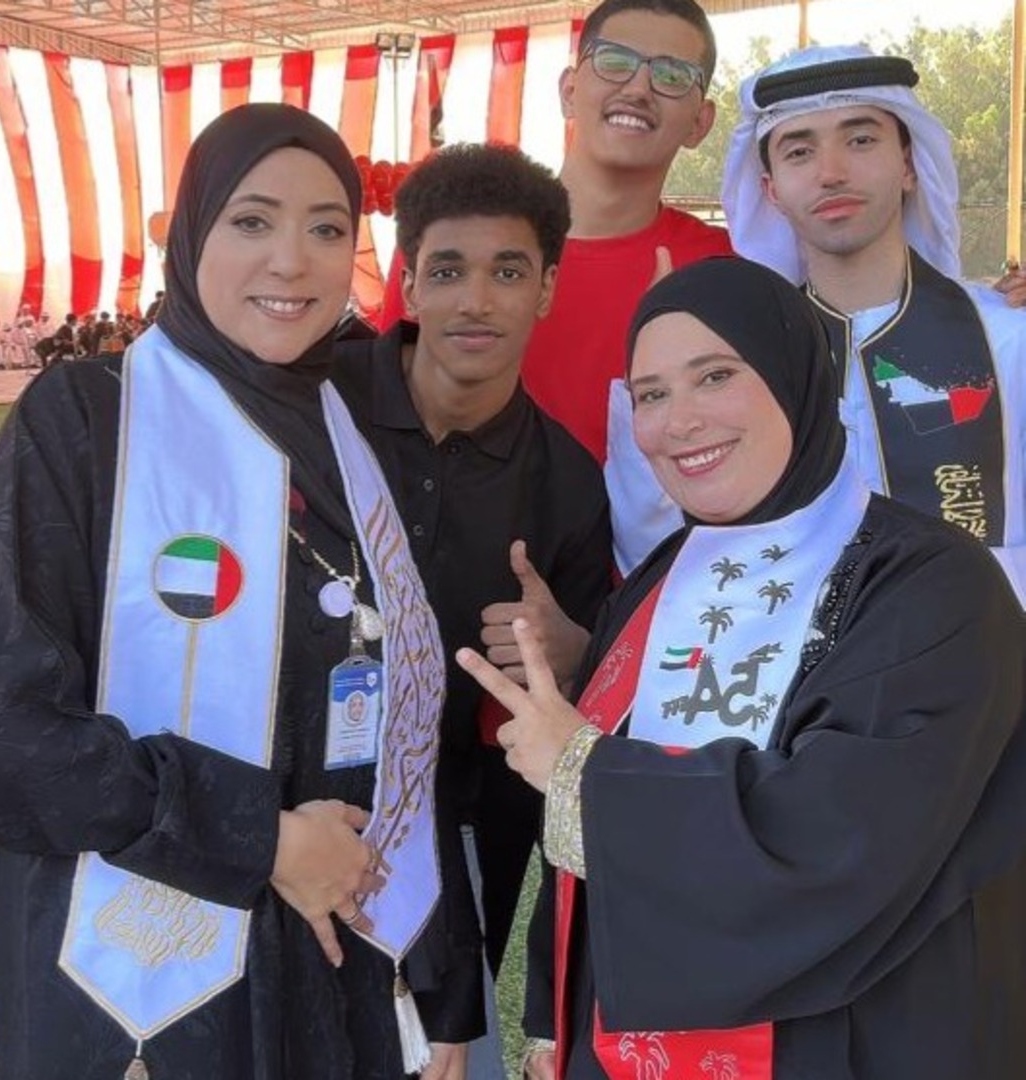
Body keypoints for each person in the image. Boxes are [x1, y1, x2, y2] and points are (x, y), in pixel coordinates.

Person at [0, 103, 480, 1080]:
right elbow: (6, 744)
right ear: (193, 234)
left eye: (327, 228)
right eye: (252, 220)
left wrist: (440, 987)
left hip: (339, 980)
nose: (292, 260)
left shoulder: (353, 442)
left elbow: (399, 714)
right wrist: (260, 838)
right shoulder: (86, 425)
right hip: (143, 1009)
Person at [456, 257, 1026, 1080]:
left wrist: (585, 772)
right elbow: (578, 853)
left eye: (715, 375)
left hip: (855, 1043)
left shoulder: (931, 584)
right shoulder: (660, 580)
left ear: (793, 374)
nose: (679, 421)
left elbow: (846, 835)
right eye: (650, 394)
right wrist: (557, 1014)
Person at [333, 142, 613, 1071]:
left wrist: (570, 648)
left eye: (509, 272)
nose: (477, 301)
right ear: (410, 283)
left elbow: (590, 696)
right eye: (449, 271)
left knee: (437, 1054)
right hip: (293, 808)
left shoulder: (567, 482)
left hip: (460, 831)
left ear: (547, 289)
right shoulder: (317, 406)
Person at [381, 0, 732, 569]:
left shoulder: (720, 271)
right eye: (615, 62)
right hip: (439, 572)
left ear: (700, 122)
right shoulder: (451, 242)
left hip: (637, 590)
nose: (638, 89)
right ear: (569, 90)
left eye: (671, 75)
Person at [719, 44, 1025, 605]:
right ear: (771, 190)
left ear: (908, 165)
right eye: (799, 152)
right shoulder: (749, 363)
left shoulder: (1009, 340)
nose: (831, 173)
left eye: (860, 140)